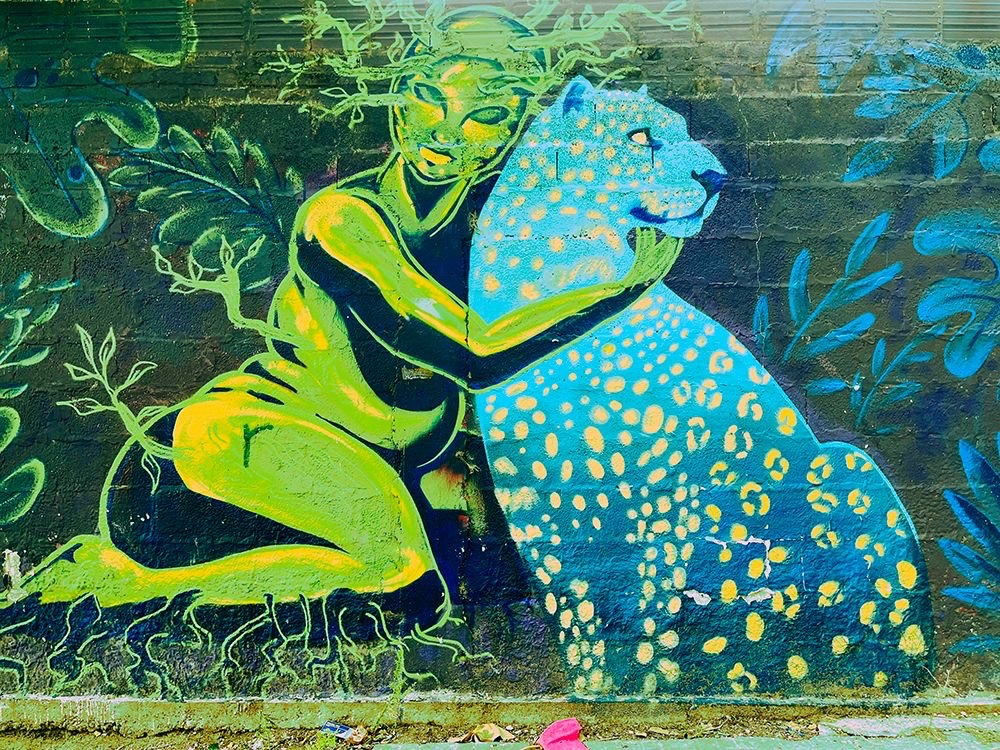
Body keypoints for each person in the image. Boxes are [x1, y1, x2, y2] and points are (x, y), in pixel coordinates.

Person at [20, 9, 682, 608]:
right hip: (210, 463)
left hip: (357, 471)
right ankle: (115, 584)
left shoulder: (484, 239)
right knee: (403, 579)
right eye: (428, 99)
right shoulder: (341, 221)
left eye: (482, 116)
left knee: (465, 576)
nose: (444, 132)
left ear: (511, 131)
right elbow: (475, 352)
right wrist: (624, 288)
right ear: (398, 99)